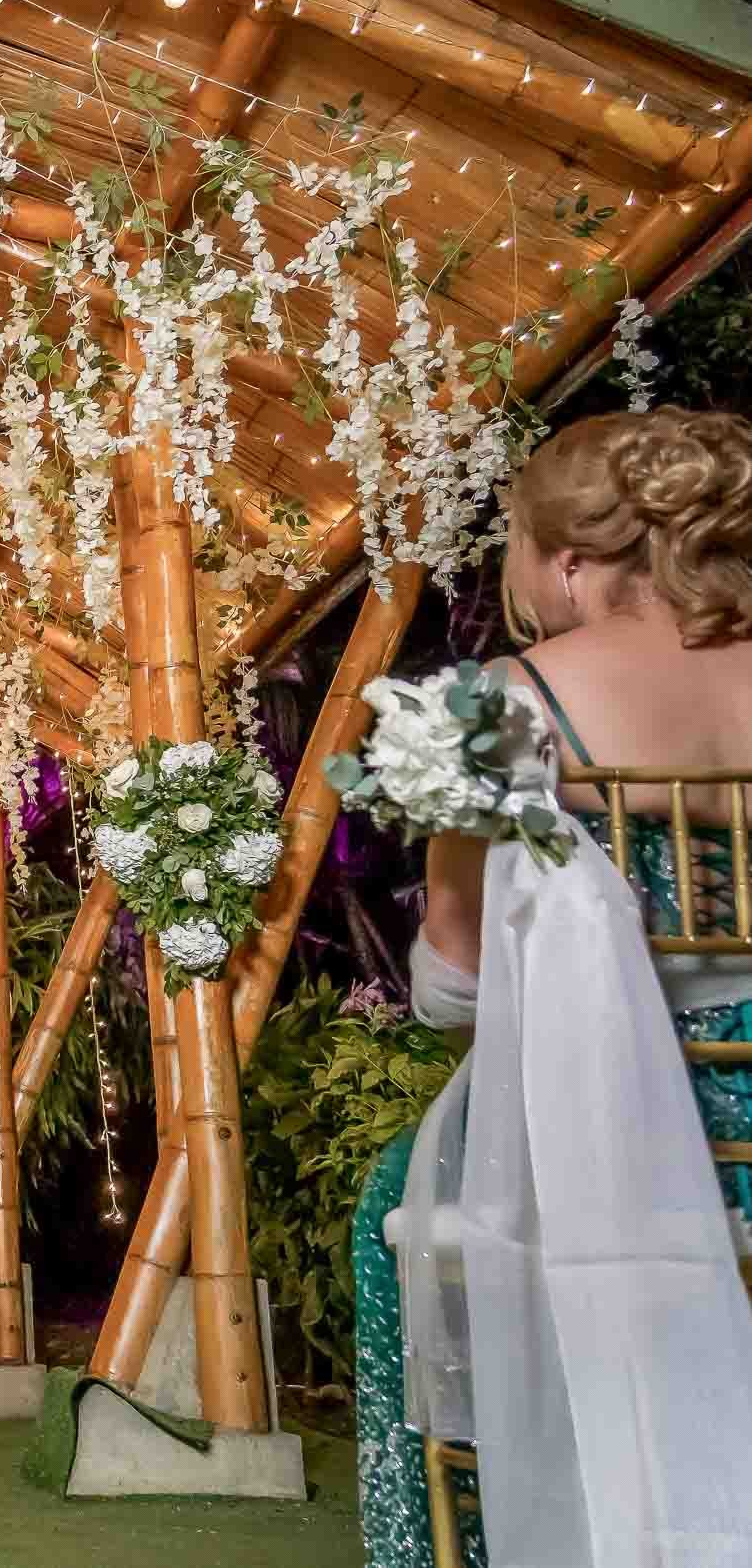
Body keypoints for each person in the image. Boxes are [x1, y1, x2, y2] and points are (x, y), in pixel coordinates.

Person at [353, 408, 752, 1567]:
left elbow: (452, 987)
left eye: (513, 549)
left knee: (393, 1218)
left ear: (570, 561)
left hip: (610, 1125)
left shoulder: (504, 701)